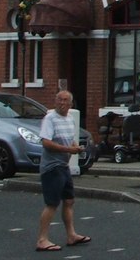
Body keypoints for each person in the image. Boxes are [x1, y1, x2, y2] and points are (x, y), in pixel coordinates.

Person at [35, 90, 91, 252]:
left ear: (71, 104)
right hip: (52, 167)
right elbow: (46, 143)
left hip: (63, 166)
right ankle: (42, 239)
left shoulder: (69, 120)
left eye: (65, 100)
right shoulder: (50, 119)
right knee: (52, 203)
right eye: (59, 99)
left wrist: (75, 147)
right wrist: (67, 149)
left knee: (69, 200)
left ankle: (71, 235)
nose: (61, 103)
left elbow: (70, 140)